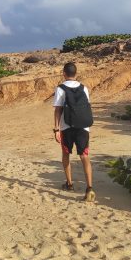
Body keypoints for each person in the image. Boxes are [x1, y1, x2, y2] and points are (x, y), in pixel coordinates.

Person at [53, 62, 95, 202]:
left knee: (66, 154)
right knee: (84, 156)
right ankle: (89, 188)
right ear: (76, 74)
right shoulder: (84, 88)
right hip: (83, 127)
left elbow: (58, 110)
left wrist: (56, 129)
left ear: (64, 73)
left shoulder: (61, 88)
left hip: (67, 127)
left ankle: (69, 184)